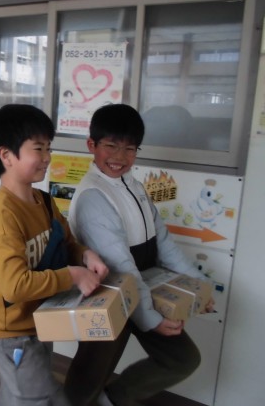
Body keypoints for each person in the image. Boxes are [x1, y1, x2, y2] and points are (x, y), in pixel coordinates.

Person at [64, 103, 215, 406]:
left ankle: (113, 399)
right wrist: (150, 319)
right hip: (109, 295)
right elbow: (121, 266)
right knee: (88, 378)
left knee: (182, 359)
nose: (120, 157)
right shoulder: (94, 196)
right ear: (92, 145)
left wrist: (199, 288)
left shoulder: (134, 186)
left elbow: (165, 244)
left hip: (143, 291)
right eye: (111, 146)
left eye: (130, 149)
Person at [0, 104, 109, 406]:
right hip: (10, 332)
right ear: (6, 155)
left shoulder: (44, 202)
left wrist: (86, 256)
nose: (47, 157)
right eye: (38, 148)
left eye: (49, 148)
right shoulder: (3, 217)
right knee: (41, 397)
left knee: (18, 394)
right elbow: (15, 286)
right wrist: (72, 275)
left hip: (38, 321)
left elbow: (67, 243)